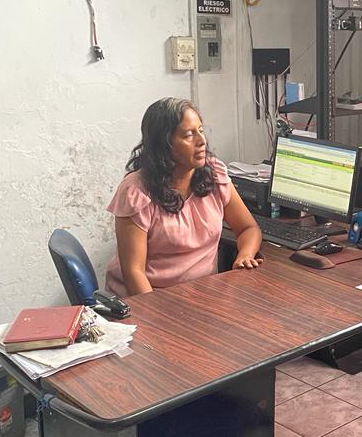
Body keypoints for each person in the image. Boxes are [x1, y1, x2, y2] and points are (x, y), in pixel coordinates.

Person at [105, 98, 262, 296]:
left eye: (201, 130)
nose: (202, 141)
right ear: (164, 145)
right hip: (149, 298)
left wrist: (244, 255)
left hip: (201, 295)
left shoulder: (215, 175)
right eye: (189, 135)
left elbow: (248, 228)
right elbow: (134, 272)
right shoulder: (136, 191)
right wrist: (160, 312)